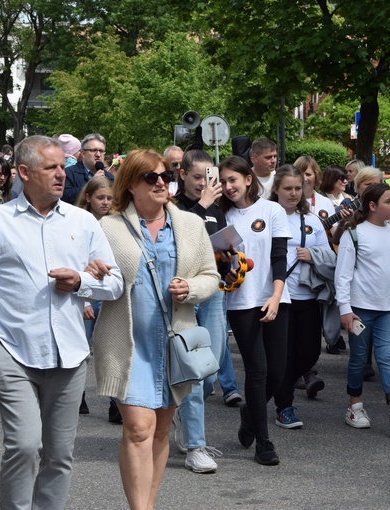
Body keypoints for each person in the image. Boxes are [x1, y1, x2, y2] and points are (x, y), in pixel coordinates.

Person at [0, 135, 123, 509]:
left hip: (69, 355)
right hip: (11, 351)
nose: (61, 174)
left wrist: (81, 281)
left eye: (62, 167)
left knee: (60, 455)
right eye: (51, 168)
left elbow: (114, 284)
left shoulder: (83, 222)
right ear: (24, 172)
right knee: (24, 444)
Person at [92, 149, 218, 508]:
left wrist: (190, 288)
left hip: (175, 344)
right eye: (151, 177)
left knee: (162, 430)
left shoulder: (190, 224)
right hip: (128, 344)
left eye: (166, 176)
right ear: (131, 184)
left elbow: (211, 277)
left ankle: (148, 502)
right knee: (138, 428)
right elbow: (94, 274)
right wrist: (91, 275)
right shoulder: (108, 227)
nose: (161, 182)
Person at [219, 155, 291, 465]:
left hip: (274, 298)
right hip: (240, 302)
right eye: (222, 181)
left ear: (248, 179)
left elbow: (280, 258)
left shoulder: (272, 210)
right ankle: (264, 442)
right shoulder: (221, 215)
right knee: (258, 372)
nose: (227, 186)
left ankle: (251, 412)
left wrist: (276, 296)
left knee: (277, 372)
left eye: (232, 179)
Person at [336, 182, 390, 436]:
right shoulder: (354, 234)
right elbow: (342, 276)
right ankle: (354, 406)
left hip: (386, 310)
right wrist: (345, 309)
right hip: (360, 310)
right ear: (373, 206)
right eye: (388, 201)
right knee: (359, 359)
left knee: (386, 357)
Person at [170, 149, 234, 473]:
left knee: (209, 372)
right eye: (197, 177)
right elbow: (179, 241)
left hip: (215, 294)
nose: (204, 183)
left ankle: (182, 413)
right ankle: (196, 446)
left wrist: (232, 257)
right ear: (182, 174)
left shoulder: (216, 210)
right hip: (184, 297)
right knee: (193, 371)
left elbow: (216, 246)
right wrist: (203, 204)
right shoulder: (175, 207)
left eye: (209, 178)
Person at [270, 165, 331, 428]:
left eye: (298, 188)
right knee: (283, 356)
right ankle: (285, 407)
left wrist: (313, 255)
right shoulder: (266, 216)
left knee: (309, 354)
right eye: (288, 188)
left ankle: (275, 389)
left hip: (306, 297)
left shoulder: (312, 221)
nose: (294, 193)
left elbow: (330, 258)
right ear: (276, 190)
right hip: (277, 298)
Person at [74, 175, 114, 416]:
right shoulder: (79, 222)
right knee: (82, 347)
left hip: (111, 293)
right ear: (88, 198)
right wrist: (85, 299)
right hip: (88, 292)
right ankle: (77, 394)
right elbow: (76, 261)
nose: (105, 202)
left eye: (110, 198)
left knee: (111, 349)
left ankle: (115, 402)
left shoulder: (116, 222)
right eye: (100, 197)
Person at [62, 133, 115, 204]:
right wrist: (91, 184)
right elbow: (65, 197)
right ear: (83, 154)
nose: (98, 155)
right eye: (93, 150)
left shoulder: (110, 177)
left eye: (101, 151)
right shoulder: (69, 173)